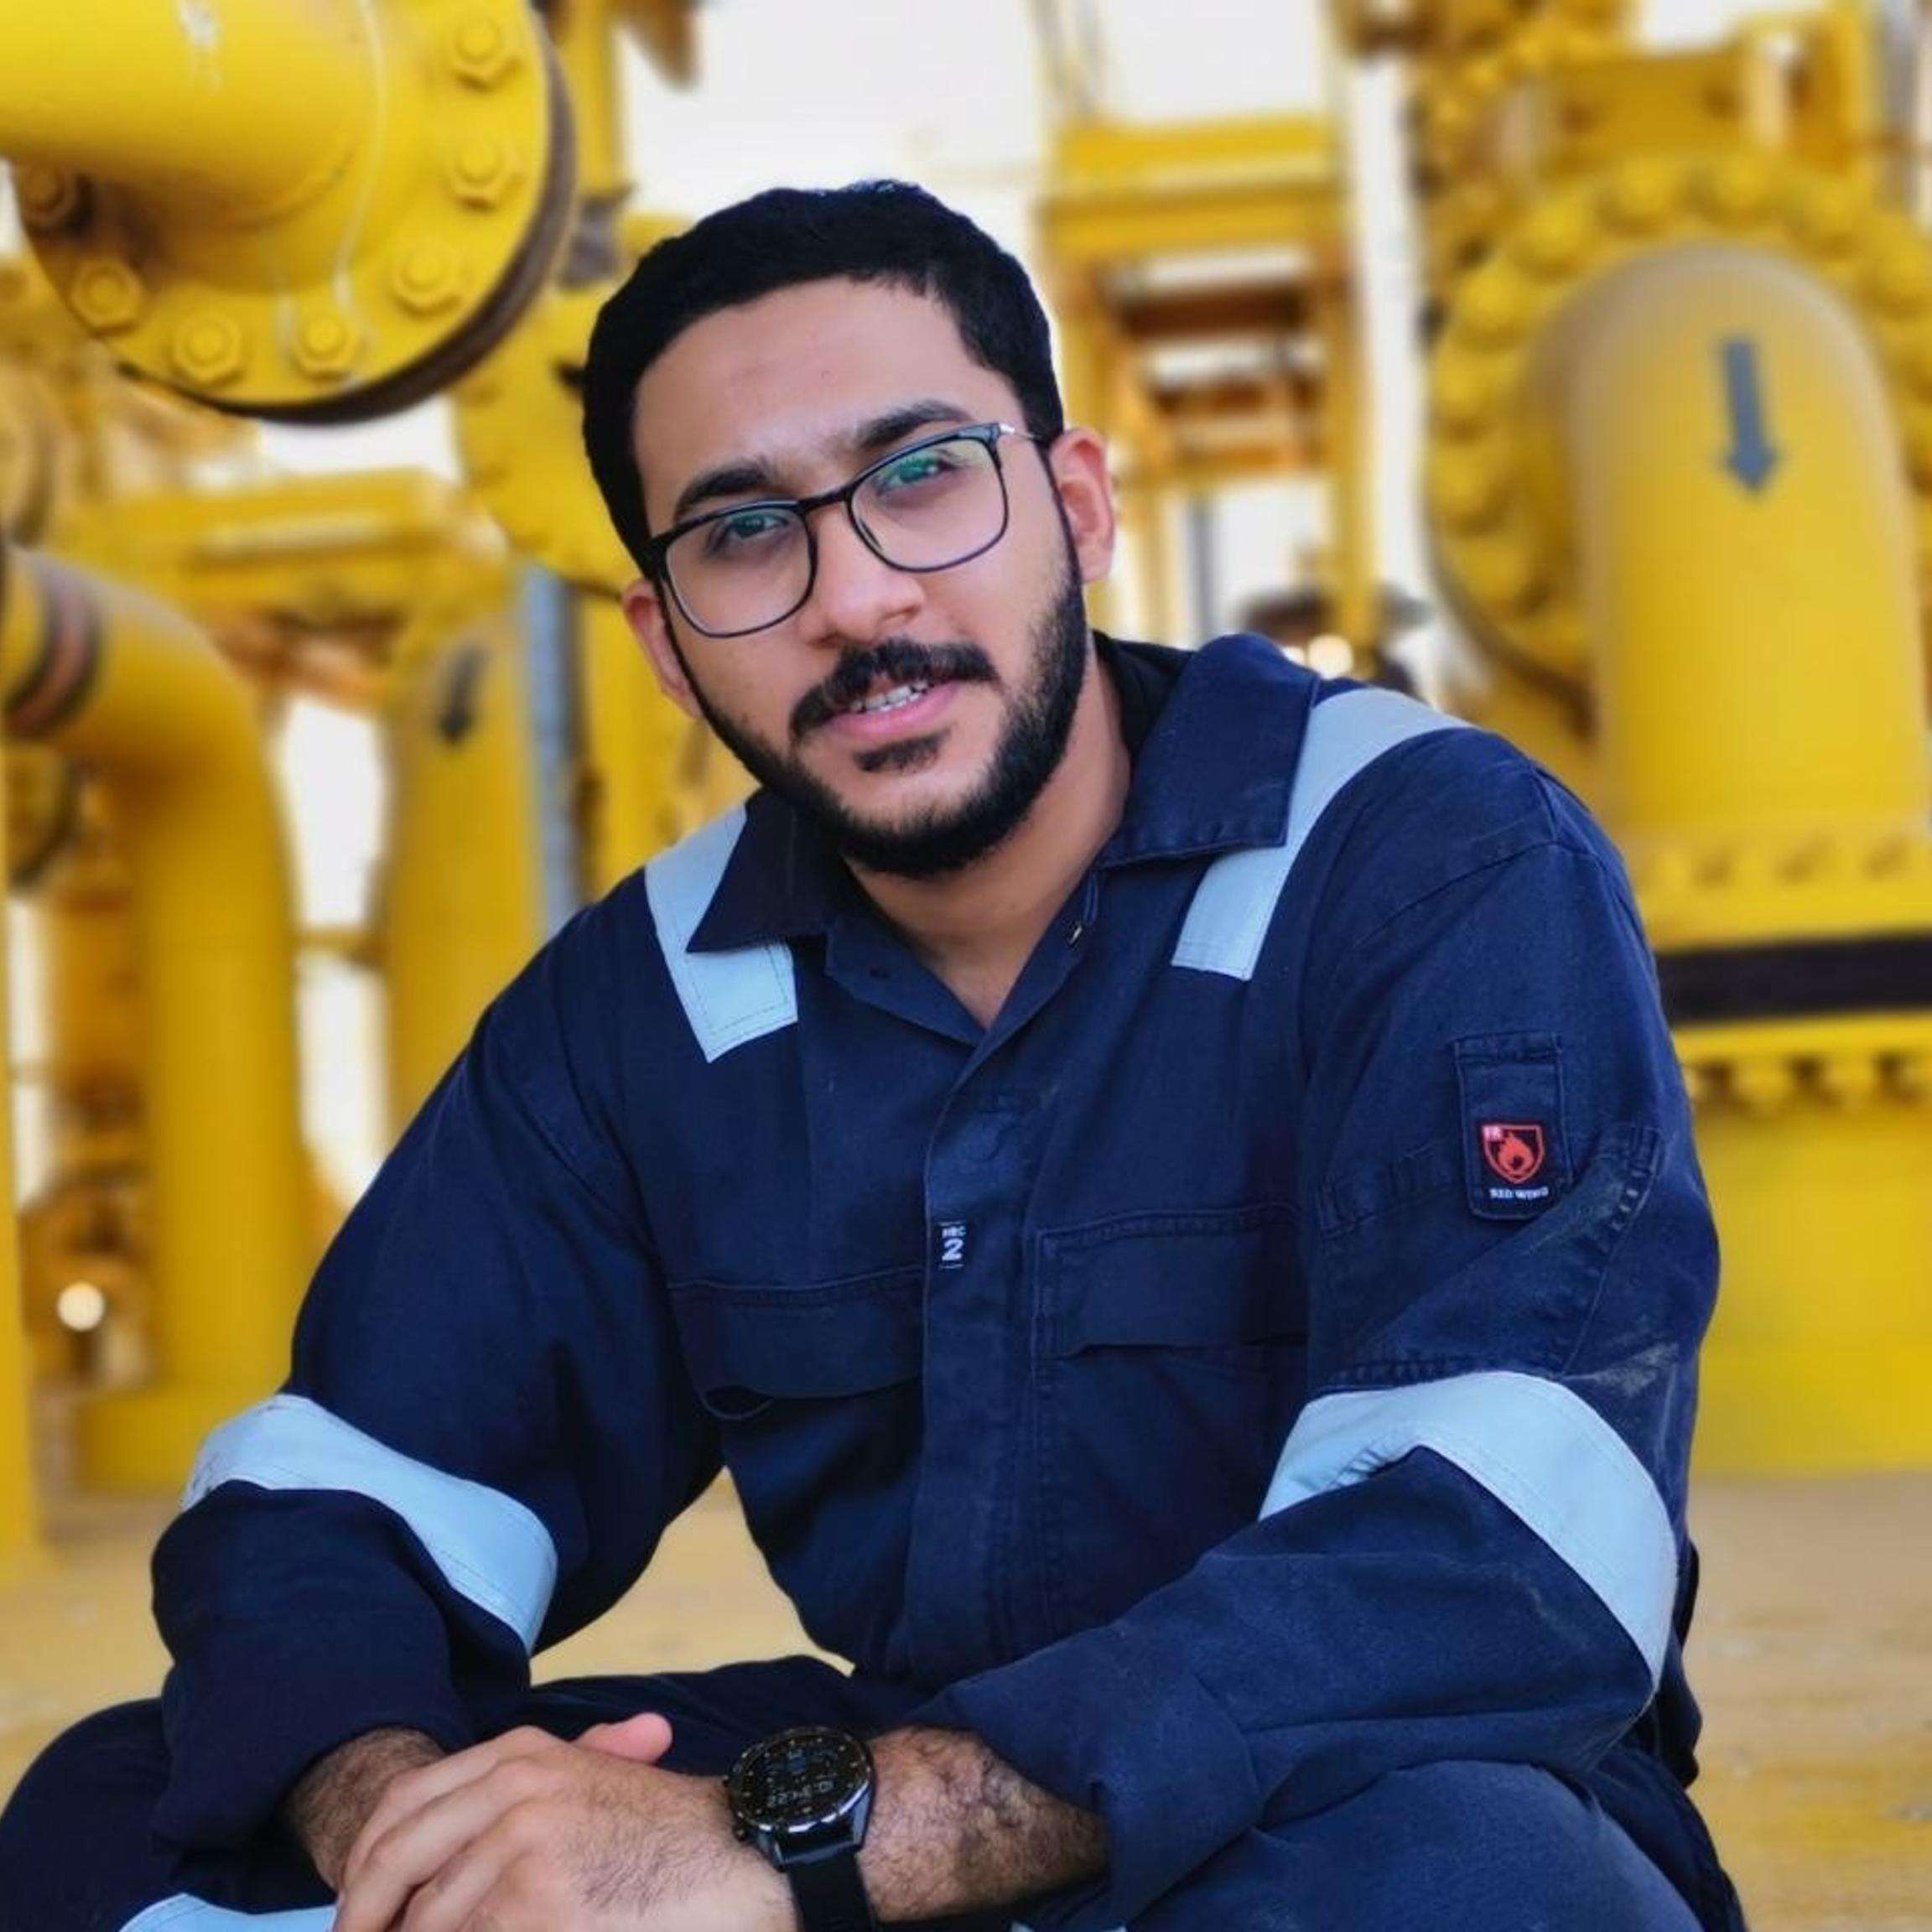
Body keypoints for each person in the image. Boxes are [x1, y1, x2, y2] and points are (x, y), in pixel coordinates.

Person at [0, 179, 1746, 1932]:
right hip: (914, 1793)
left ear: (1074, 505)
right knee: (126, 1806)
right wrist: (409, 1838)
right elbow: (345, 1492)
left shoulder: (1423, 860)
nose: (850, 594)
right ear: (668, 647)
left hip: (1354, 1796)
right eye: (744, 536)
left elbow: (1501, 1547)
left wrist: (802, 1852)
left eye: (921, 477)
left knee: (1463, 1885)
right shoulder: (654, 1002)